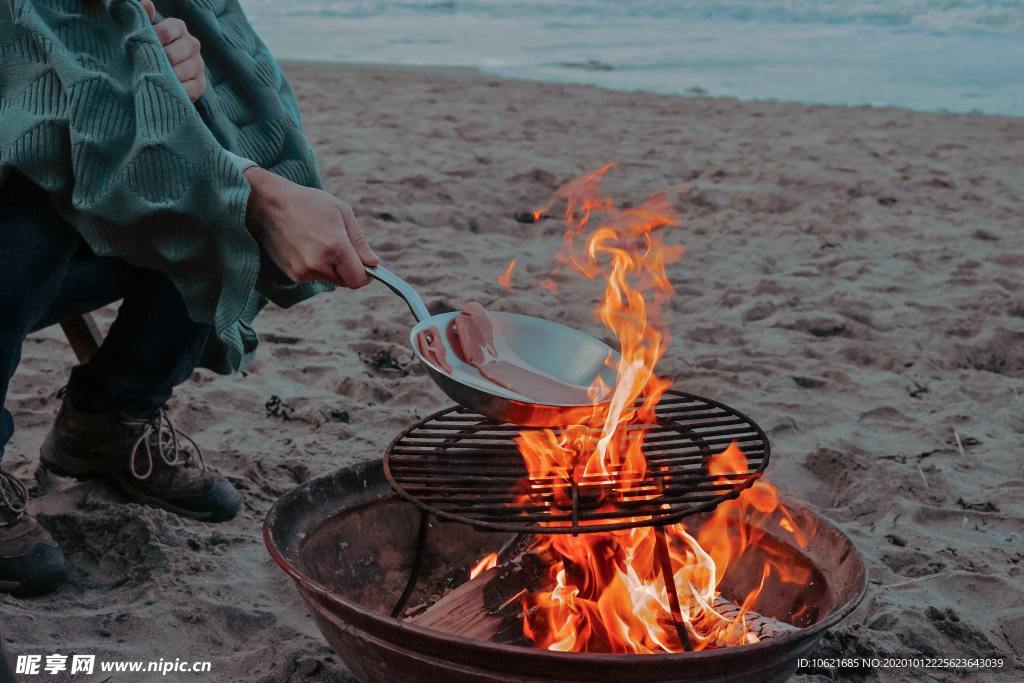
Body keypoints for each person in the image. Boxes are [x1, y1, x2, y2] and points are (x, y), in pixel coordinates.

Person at [0, 0, 377, 595]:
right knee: (34, 194)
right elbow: (27, 108)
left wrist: (171, 93)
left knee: (205, 192)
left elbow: (249, 94)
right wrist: (251, 195)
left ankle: (110, 420)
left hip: (68, 251)